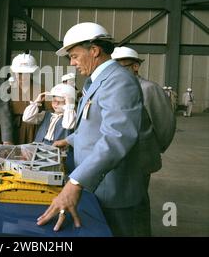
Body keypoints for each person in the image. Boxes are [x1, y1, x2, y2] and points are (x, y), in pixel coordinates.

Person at [37, 22, 151, 237]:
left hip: (113, 189)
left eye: (75, 56)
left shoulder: (118, 81)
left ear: (95, 50)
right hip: (98, 185)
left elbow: (117, 137)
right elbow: (94, 123)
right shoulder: (98, 81)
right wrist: (70, 140)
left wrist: (76, 182)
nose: (72, 63)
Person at [111, 46, 176, 184]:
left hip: (140, 158)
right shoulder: (112, 89)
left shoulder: (149, 89)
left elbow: (165, 124)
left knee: (139, 198)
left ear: (135, 66)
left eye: (121, 67)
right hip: (116, 158)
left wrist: (154, 147)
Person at [9, 52, 52, 144]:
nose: (22, 77)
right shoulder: (8, 90)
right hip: (13, 129)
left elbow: (51, 112)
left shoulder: (42, 89)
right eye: (19, 73)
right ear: (14, 72)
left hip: (35, 130)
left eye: (26, 73)